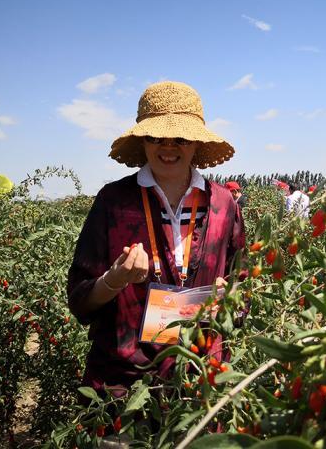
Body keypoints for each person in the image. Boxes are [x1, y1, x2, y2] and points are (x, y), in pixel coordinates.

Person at [67, 81, 246, 395]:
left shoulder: (223, 205)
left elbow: (244, 284)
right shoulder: (114, 202)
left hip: (201, 376)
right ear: (142, 141)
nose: (169, 147)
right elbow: (80, 298)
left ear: (196, 143)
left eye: (181, 138)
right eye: (156, 137)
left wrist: (231, 298)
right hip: (124, 380)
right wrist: (114, 280)